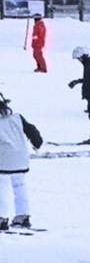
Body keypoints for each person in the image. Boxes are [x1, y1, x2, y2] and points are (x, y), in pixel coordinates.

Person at [0, 92, 43, 228]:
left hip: (3, 158)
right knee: (19, 186)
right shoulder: (17, 117)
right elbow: (32, 131)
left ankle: (1, 217)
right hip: (21, 157)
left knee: (2, 187)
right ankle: (23, 215)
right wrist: (37, 143)